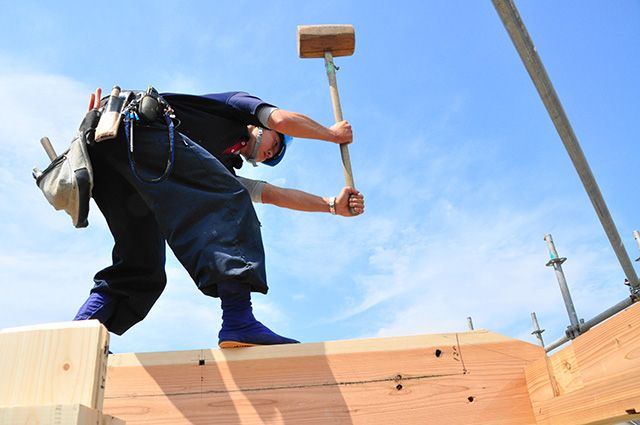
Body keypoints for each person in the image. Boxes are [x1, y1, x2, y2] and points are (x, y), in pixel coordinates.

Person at [72, 88, 365, 348]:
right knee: (230, 201)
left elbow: (273, 194)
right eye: (275, 144)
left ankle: (79, 340)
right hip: (132, 126)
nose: (270, 153)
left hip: (116, 156)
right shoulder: (237, 107)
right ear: (258, 126)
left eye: (272, 158)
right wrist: (331, 134)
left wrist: (331, 205)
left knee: (142, 267)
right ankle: (238, 319)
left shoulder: (220, 168)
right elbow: (279, 120)